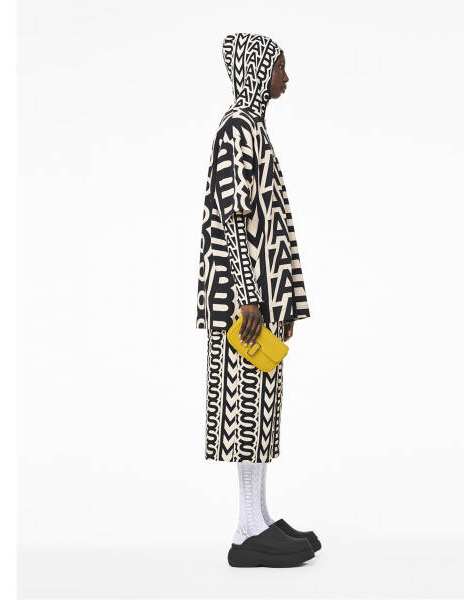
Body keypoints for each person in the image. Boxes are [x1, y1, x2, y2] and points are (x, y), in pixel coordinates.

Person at [195, 33, 320, 568]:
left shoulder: (254, 129)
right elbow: (232, 219)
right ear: (256, 70)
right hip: (241, 303)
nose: (285, 77)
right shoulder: (237, 130)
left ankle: (260, 518)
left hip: (260, 299)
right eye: (279, 67)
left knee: (261, 409)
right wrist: (249, 298)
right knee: (246, 410)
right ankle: (246, 533)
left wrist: (279, 300)